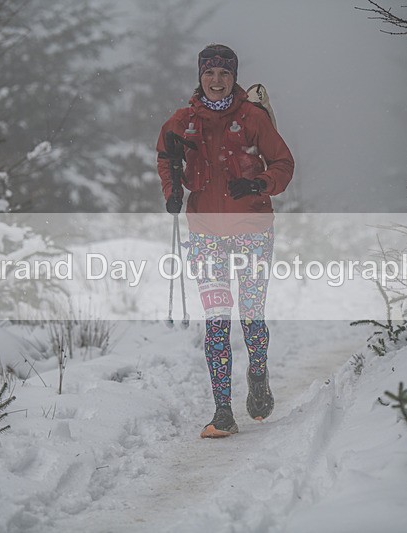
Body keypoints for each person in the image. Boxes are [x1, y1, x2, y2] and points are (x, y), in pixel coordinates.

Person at [156, 44, 295, 438]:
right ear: (200, 77)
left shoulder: (253, 119)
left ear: (234, 77)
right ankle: (223, 413)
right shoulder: (183, 121)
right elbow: (165, 155)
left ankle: (258, 372)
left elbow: (284, 163)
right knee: (216, 323)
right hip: (205, 234)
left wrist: (258, 182)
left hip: (252, 229)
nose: (216, 81)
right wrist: (172, 190)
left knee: (251, 317)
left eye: (224, 74)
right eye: (209, 73)